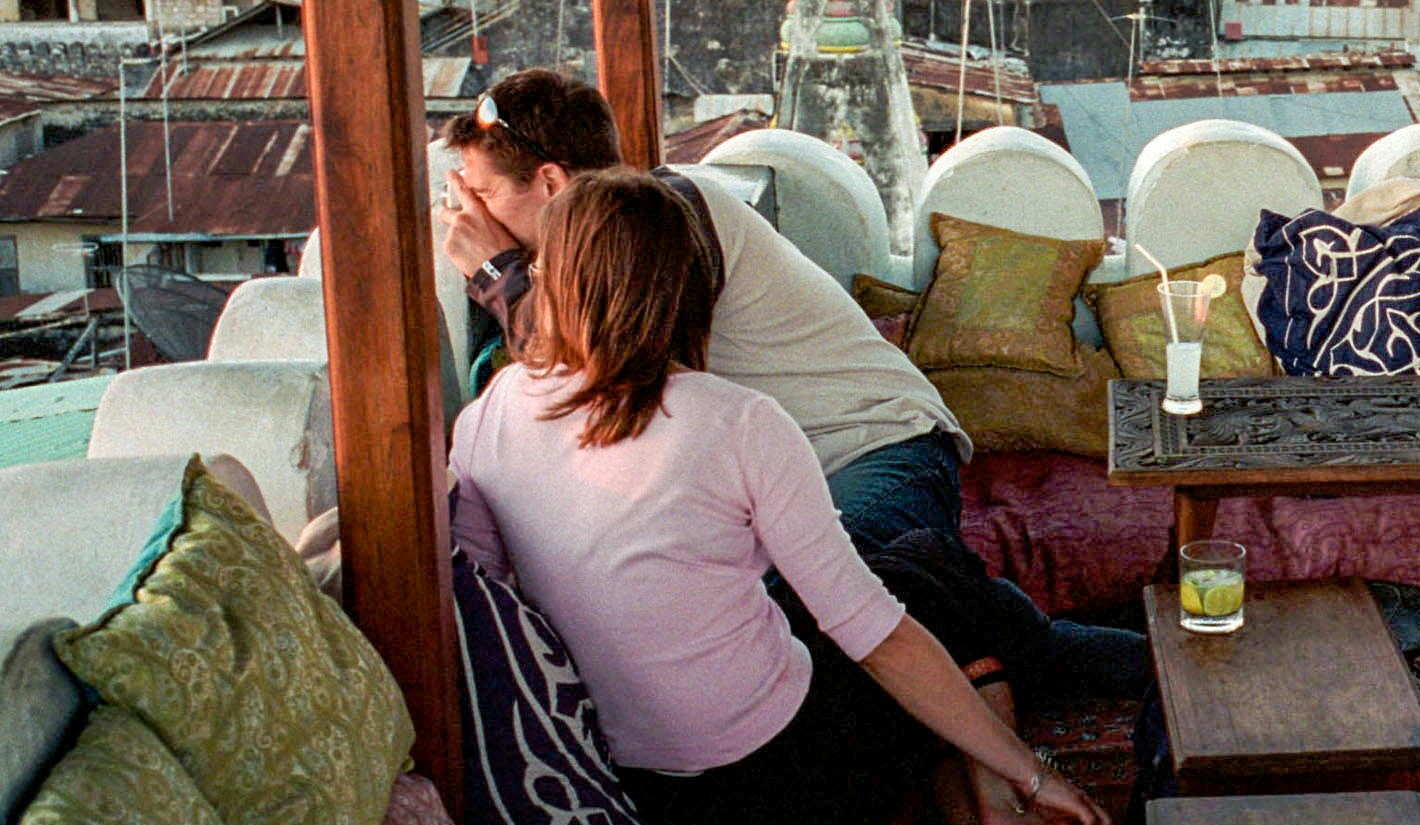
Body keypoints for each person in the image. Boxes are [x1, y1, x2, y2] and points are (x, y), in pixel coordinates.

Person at [449, 169, 1117, 825]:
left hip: (643, 791)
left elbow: (491, 604)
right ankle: (1002, 799)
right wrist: (1038, 771)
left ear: (552, 283)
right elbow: (874, 635)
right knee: (927, 577)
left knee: (908, 582)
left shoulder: (487, 416)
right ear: (690, 292)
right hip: (799, 797)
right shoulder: (736, 420)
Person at [435, 68, 1144, 696]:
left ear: (552, 184)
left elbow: (607, 365)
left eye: (482, 192)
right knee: (919, 614)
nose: (467, 214)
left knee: (845, 615)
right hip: (798, 478)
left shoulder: (673, 217)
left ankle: (1150, 680)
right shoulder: (588, 260)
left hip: (876, 448)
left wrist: (498, 275)